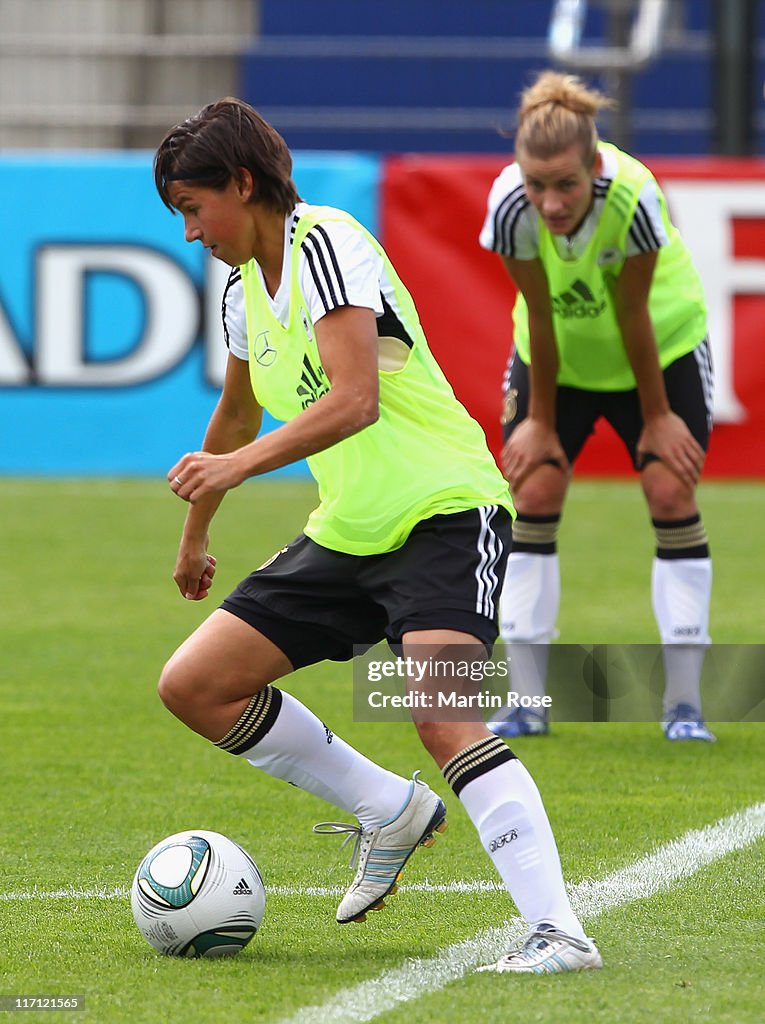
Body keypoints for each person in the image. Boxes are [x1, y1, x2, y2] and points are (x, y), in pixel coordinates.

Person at [151, 97, 601, 973]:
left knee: (442, 715)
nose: (190, 233)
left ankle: (560, 931)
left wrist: (234, 475)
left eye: (193, 208)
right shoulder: (245, 292)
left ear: (243, 185)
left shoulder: (326, 242)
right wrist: (195, 531)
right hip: (348, 532)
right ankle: (386, 809)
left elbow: (356, 398)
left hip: (442, 511)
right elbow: (236, 417)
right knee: (194, 684)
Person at [479, 71, 715, 743]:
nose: (550, 204)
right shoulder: (508, 207)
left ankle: (684, 704)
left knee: (670, 492)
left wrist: (659, 414)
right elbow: (541, 315)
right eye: (536, 185)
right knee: (534, 485)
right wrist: (541, 422)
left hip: (658, 348)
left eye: (566, 185)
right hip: (559, 354)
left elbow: (632, 312)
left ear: (592, 166)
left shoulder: (633, 196)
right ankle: (526, 700)